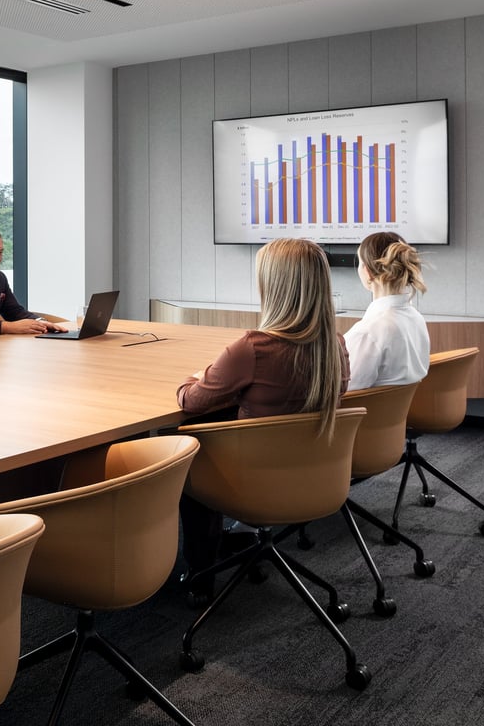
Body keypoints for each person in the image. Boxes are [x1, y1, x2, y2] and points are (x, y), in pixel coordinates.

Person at [175, 238, 350, 589]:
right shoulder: (336, 346)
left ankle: (200, 574)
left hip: (252, 483)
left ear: (274, 287)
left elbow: (190, 401)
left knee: (186, 440)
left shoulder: (253, 348)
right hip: (316, 476)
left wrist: (196, 377)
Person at [343, 232, 430, 391]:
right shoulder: (416, 319)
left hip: (366, 415)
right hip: (397, 415)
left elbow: (343, 390)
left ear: (367, 272)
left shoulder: (367, 333)